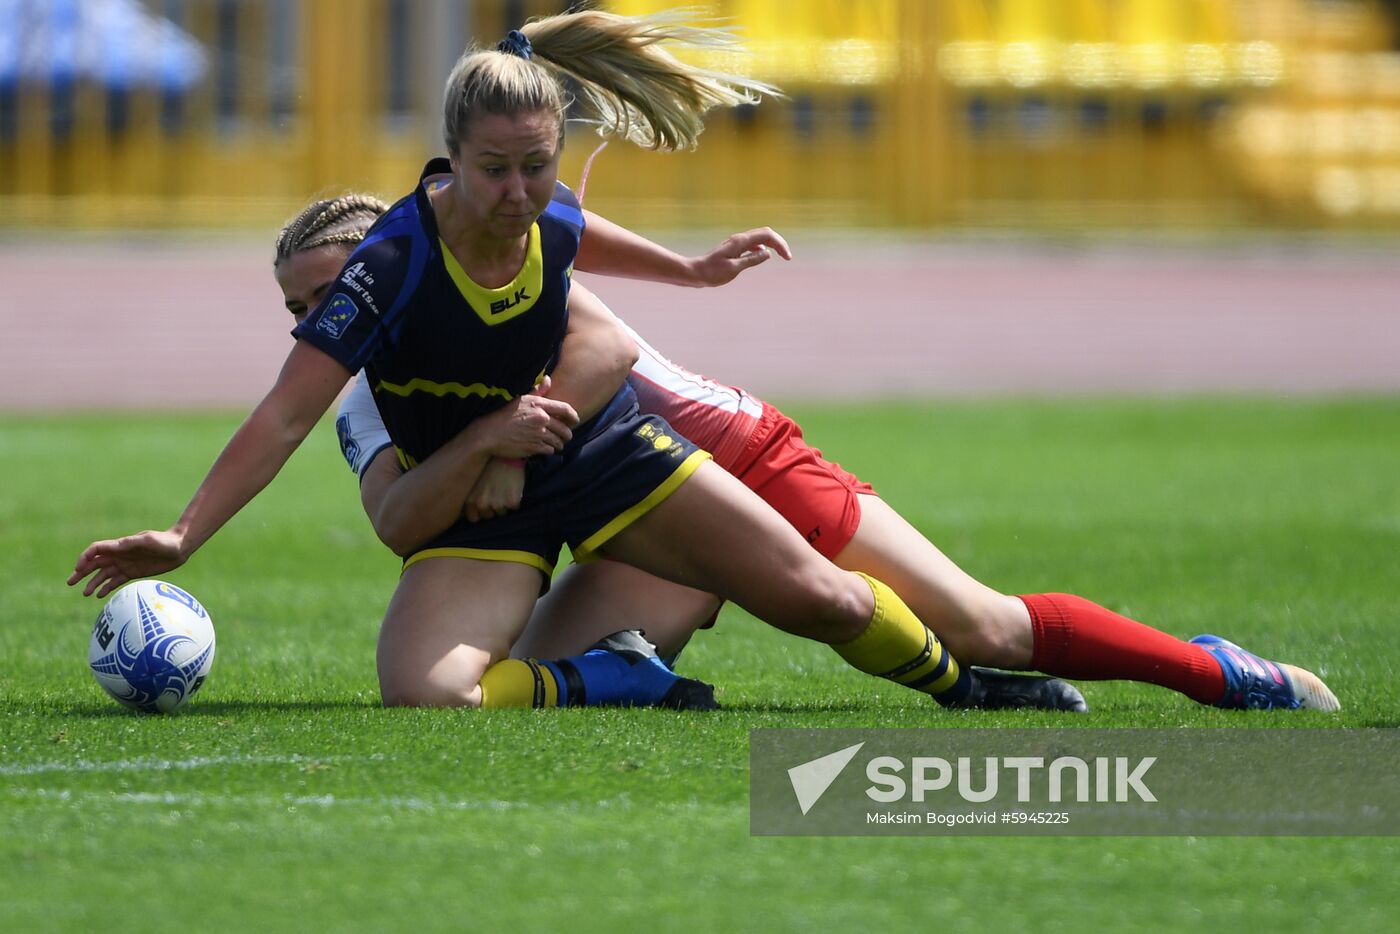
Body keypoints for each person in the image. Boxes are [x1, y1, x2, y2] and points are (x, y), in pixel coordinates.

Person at [71, 9, 1076, 714]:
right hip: (477, 515)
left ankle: (969, 686)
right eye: (493, 171)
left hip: (604, 460)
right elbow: (285, 414)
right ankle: (613, 678)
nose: (517, 192)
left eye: (535, 165)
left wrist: (689, 270)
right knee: (424, 693)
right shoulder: (390, 265)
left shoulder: (543, 206)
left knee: (829, 600)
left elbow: (578, 233)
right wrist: (184, 531)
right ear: (448, 161)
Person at [287, 189, 1340, 714]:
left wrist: (510, 444)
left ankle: (1219, 673)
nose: (318, 320)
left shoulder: (479, 282)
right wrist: (485, 447)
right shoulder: (362, 394)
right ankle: (625, 675)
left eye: (333, 290)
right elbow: (398, 516)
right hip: (636, 525)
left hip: (735, 458)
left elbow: (591, 331)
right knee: (488, 688)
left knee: (987, 623)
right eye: (299, 306)